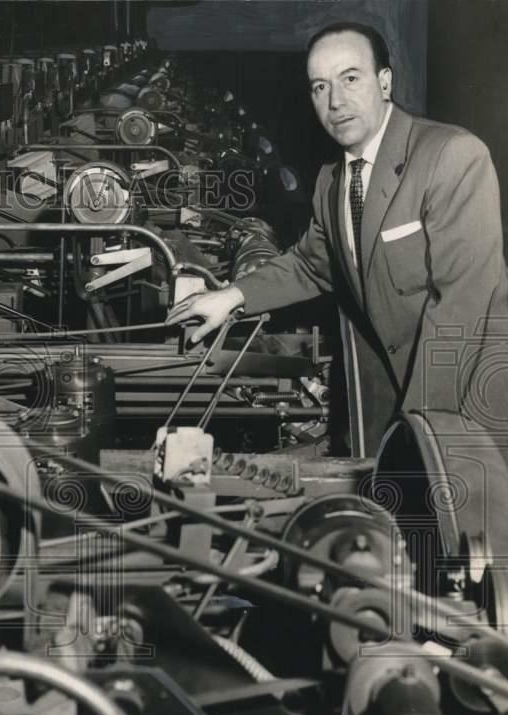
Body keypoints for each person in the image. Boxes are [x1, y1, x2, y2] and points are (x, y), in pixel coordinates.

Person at [167, 21, 508, 457]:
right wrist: (232, 295)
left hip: (468, 409)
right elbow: (313, 263)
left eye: (350, 78)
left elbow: (460, 310)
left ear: (385, 82)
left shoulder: (452, 156)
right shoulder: (332, 180)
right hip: (396, 404)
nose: (336, 102)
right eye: (320, 87)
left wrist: (416, 434)